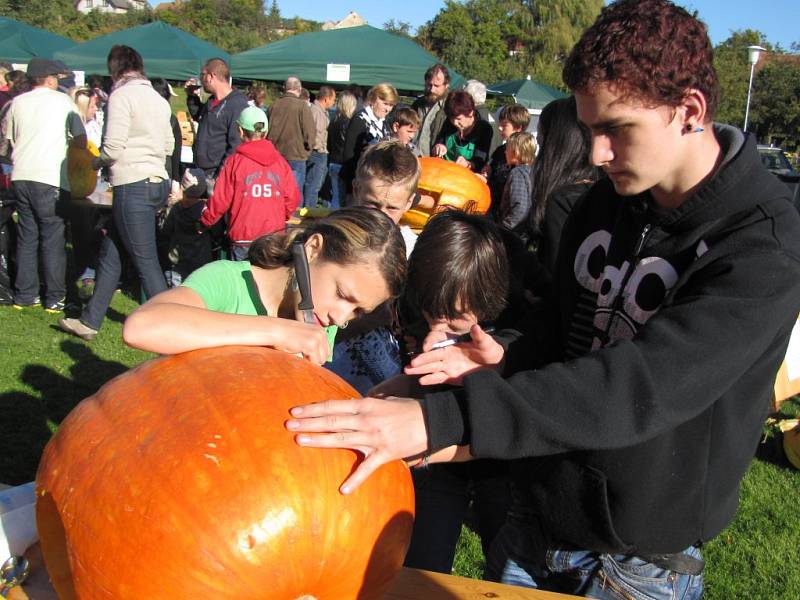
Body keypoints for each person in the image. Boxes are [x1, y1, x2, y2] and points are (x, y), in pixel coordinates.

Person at [284, 1, 800, 599]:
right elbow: (563, 329)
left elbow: (641, 385)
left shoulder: (763, 245)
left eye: (616, 130)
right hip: (536, 515)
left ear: (689, 110)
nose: (597, 153)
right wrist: (503, 356)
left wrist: (438, 420)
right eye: (590, 131)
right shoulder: (603, 204)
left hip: (636, 556)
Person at [393, 210, 526, 575]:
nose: (439, 328)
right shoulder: (419, 296)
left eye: (453, 320)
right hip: (436, 456)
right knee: (422, 563)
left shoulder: (523, 319)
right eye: (430, 312)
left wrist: (501, 358)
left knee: (504, 563)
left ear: (490, 301)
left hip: (498, 463)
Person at [122, 207, 406, 366]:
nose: (340, 318)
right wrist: (276, 332)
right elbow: (141, 327)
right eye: (343, 295)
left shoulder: (322, 323)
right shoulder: (228, 281)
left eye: (357, 311)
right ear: (313, 249)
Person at [58, 45, 173, 341]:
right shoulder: (159, 100)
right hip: (155, 181)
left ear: (116, 69)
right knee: (113, 253)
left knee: (146, 261)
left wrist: (94, 162)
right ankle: (89, 321)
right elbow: (170, 146)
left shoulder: (121, 97)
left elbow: (112, 148)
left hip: (133, 185)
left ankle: (172, 328)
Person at [325, 141, 421, 394]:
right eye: (372, 204)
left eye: (392, 208)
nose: (381, 215)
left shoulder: (414, 251)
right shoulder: (328, 239)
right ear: (356, 188)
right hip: (326, 365)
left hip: (383, 378)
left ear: (409, 202)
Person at [6, 57, 86, 312]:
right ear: (51, 79)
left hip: (20, 174)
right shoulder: (63, 102)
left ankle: (25, 294)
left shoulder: (16, 103)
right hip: (49, 175)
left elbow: (7, 140)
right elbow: (81, 139)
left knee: (27, 235)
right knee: (52, 237)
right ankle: (55, 296)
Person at [199, 106, 300, 261]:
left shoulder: (235, 162)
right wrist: (281, 214)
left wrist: (204, 222)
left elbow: (220, 200)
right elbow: (292, 198)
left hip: (243, 236)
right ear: (265, 133)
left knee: (242, 282)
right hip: (274, 237)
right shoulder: (280, 162)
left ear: (240, 131)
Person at [530, 96, 600, 275]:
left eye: (541, 136)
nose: (538, 141)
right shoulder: (600, 192)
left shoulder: (563, 202)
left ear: (556, 144)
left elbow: (557, 275)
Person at [68, 86, 105, 300]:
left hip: (93, 184)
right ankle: (86, 271)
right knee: (82, 230)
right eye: (92, 105)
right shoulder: (76, 130)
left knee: (93, 226)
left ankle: (91, 267)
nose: (96, 108)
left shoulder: (94, 125)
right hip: (79, 186)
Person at [192, 58, 249, 196]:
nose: (201, 79)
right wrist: (191, 97)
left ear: (211, 76)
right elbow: (202, 119)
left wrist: (220, 176)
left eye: (202, 75)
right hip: (201, 170)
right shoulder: (212, 102)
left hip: (216, 174)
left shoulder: (236, 104)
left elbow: (235, 144)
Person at [340, 83, 398, 196]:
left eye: (391, 105)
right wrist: (353, 185)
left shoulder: (384, 123)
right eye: (385, 103)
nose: (388, 109)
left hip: (377, 183)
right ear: (373, 99)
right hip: (357, 182)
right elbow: (349, 155)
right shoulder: (360, 119)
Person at [267, 76, 316, 194]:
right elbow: (310, 133)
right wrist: (308, 151)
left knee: (276, 193)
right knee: (293, 195)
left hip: (275, 156)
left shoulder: (273, 106)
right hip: (296, 156)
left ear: (284, 88)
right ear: (299, 89)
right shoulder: (303, 106)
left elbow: (266, 131)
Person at [484, 104, 530, 219]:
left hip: (508, 218)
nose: (499, 128)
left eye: (505, 125)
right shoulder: (500, 151)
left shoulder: (523, 158)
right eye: (500, 124)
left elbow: (520, 203)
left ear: (518, 128)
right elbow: (491, 170)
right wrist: (487, 173)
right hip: (492, 209)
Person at [433, 90, 493, 173]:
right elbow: (440, 140)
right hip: (443, 171)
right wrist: (439, 146)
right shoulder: (449, 122)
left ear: (470, 113)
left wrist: (469, 163)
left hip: (467, 176)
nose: (454, 122)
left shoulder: (484, 128)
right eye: (451, 118)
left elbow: (481, 160)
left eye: (459, 119)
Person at [498, 132, 536, 243]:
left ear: (516, 152)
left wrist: (504, 228)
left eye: (507, 148)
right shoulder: (533, 171)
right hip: (525, 232)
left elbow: (520, 207)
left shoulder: (518, 173)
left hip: (514, 233)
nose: (505, 152)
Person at [304, 86, 335, 208]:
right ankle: (308, 210)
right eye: (333, 99)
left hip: (320, 152)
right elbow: (314, 133)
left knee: (315, 185)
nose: (334, 102)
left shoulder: (321, 111)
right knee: (313, 185)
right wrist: (318, 147)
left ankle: (309, 208)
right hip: (317, 152)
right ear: (326, 99)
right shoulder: (315, 111)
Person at [326, 90, 357, 209]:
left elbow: (329, 144)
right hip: (343, 164)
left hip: (333, 161)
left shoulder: (333, 121)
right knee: (342, 199)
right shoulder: (349, 123)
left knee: (335, 196)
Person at [411, 64, 450, 157]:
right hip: (412, 159)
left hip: (434, 162)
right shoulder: (417, 105)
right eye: (429, 85)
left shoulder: (450, 109)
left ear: (446, 85)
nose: (432, 89)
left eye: (436, 86)